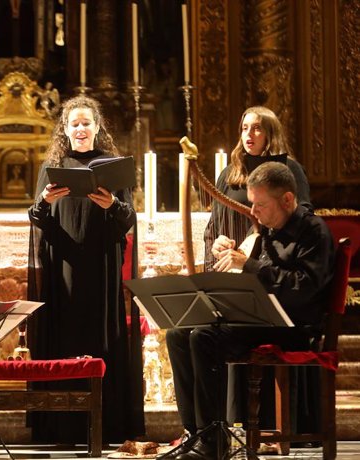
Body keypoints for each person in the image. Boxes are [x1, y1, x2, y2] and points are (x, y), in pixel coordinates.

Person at [160, 162, 335, 460]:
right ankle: (197, 434)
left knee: (204, 337)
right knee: (179, 333)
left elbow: (303, 289)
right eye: (252, 204)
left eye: (260, 205)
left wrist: (248, 264)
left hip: (295, 326)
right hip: (262, 318)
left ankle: (213, 441)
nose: (253, 212)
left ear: (288, 200)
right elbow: (255, 276)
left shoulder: (313, 230)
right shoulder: (269, 229)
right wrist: (233, 254)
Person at [27, 95, 145, 443]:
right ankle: (61, 426)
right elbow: (36, 218)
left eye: (86, 123)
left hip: (100, 264)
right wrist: (45, 201)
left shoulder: (111, 166)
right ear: (65, 129)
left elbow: (128, 219)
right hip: (62, 262)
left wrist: (113, 204)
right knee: (64, 336)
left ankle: (104, 423)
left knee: (98, 336)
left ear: (96, 127)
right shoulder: (53, 165)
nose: (80, 129)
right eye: (74, 124)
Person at [203, 106, 311, 271]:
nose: (249, 133)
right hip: (232, 269)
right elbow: (214, 227)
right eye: (245, 128)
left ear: (270, 134)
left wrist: (255, 241)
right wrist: (218, 245)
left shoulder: (289, 168)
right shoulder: (229, 173)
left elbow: (303, 214)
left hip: (275, 265)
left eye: (257, 128)